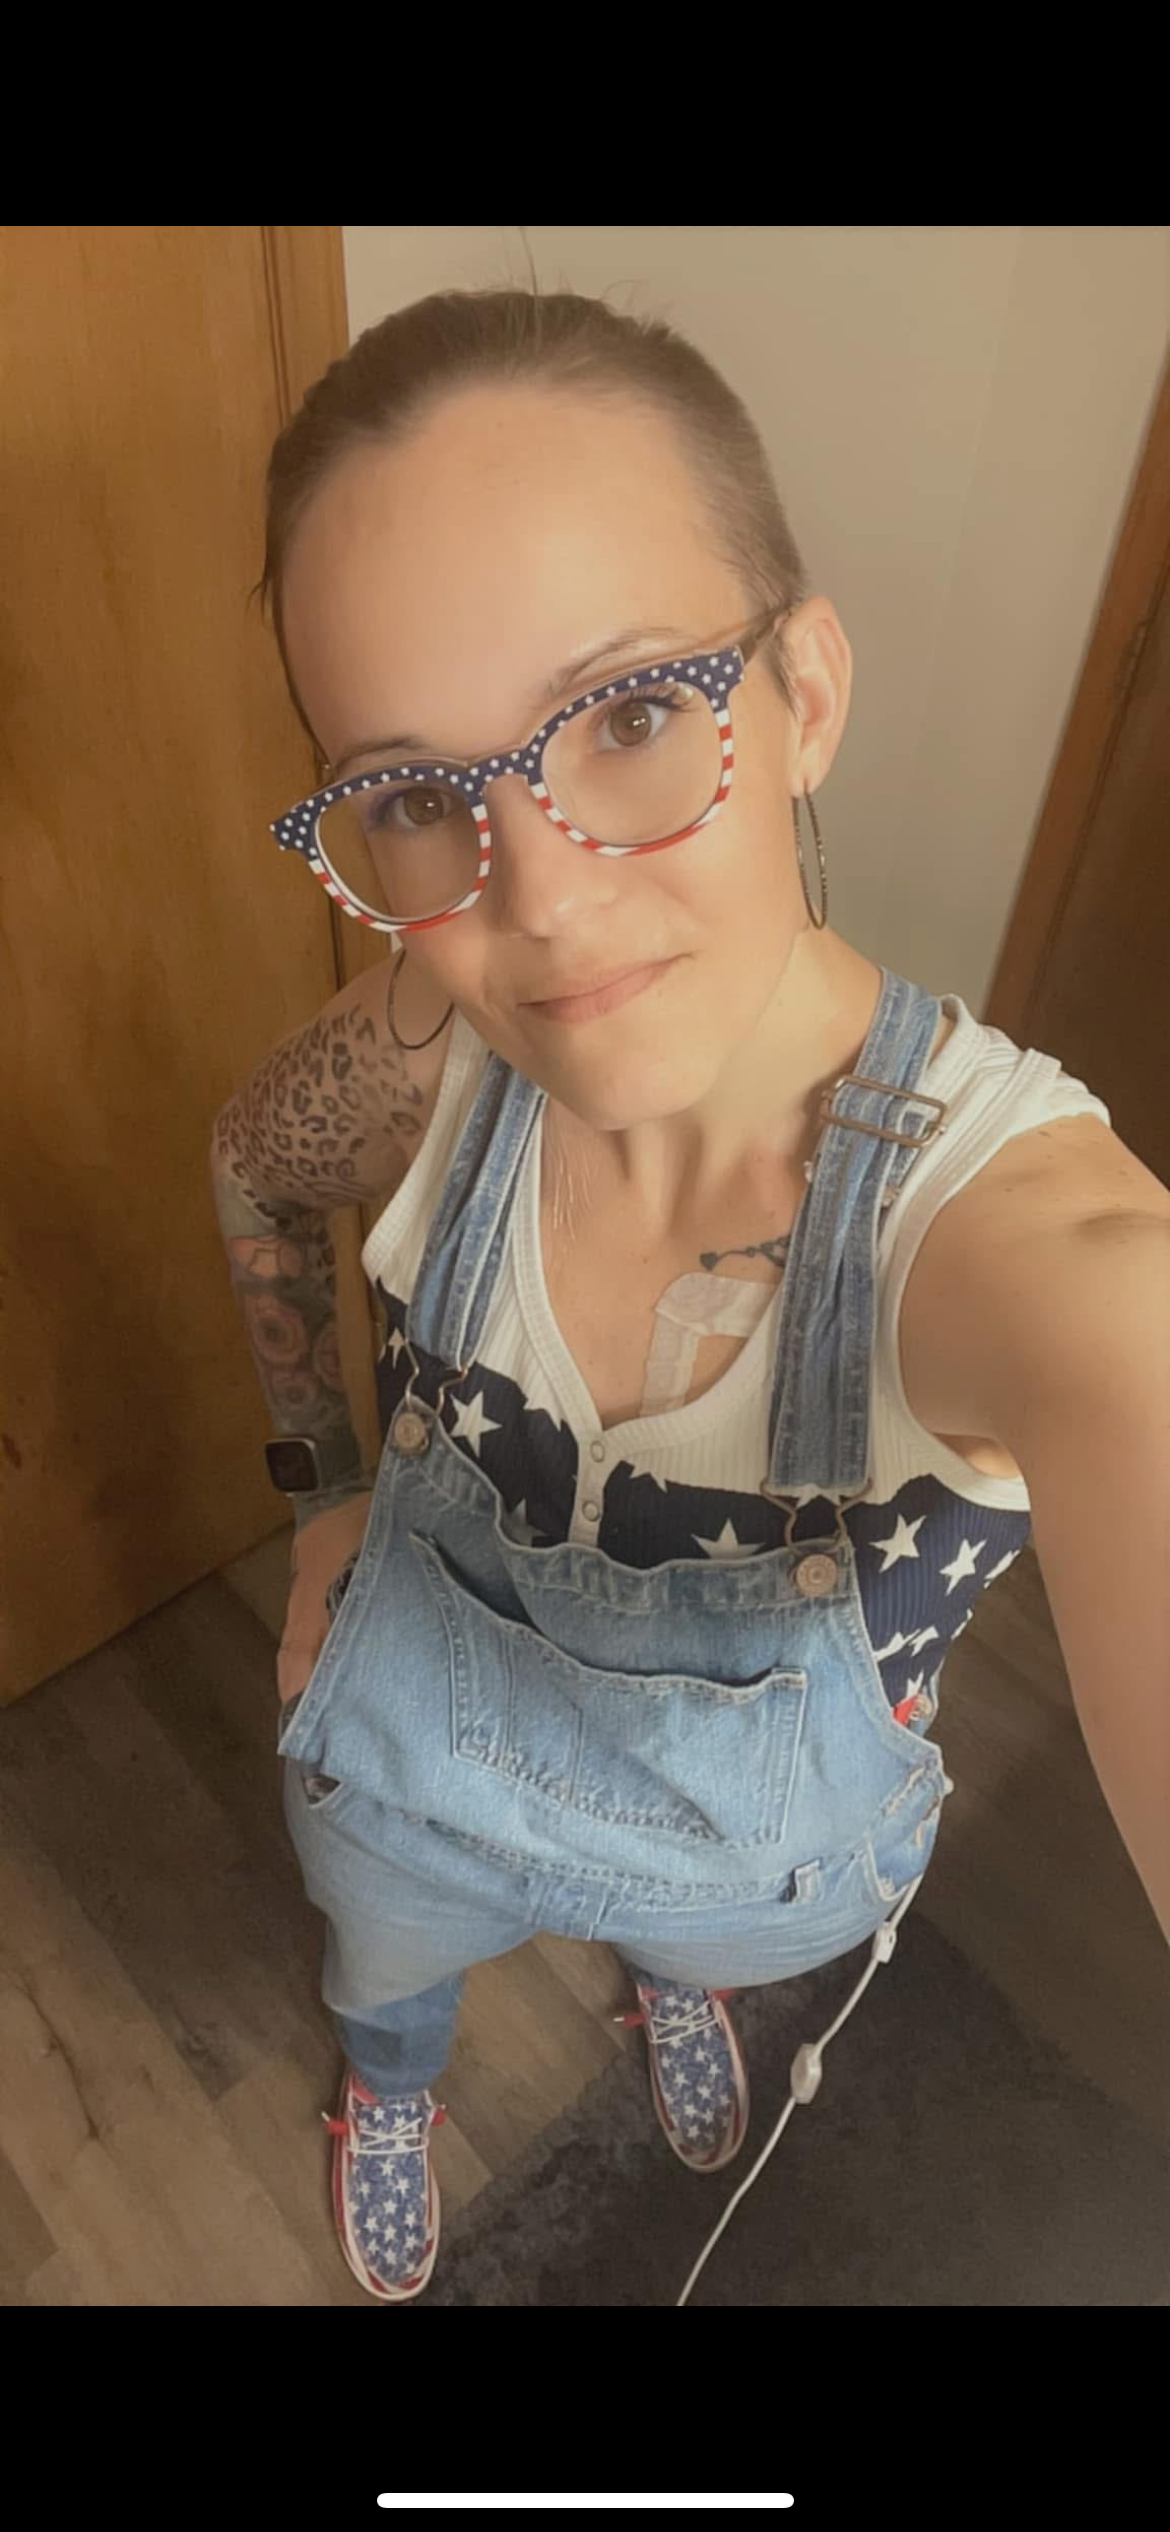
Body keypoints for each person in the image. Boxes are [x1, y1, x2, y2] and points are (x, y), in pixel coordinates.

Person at [210, 286, 1170, 2305]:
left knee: (693, 1943)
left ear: (804, 689)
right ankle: (389, 2087)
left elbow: (1128, 1351)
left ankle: (671, 1985)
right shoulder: (431, 1054)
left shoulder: (1016, 1238)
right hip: (409, 1807)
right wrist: (317, 1490)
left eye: (633, 713)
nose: (546, 902)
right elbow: (253, 1166)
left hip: (743, 1877)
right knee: (388, 1979)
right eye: (419, 796)